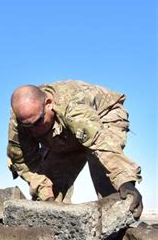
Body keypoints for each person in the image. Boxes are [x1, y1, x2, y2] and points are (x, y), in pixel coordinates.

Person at [7, 80, 143, 218]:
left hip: (103, 117)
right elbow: (24, 162)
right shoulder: (20, 122)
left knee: (106, 174)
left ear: (49, 104)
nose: (34, 130)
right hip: (63, 133)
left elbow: (100, 144)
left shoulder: (72, 109)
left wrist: (125, 181)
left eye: (37, 122)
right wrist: (47, 197)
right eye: (28, 126)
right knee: (49, 197)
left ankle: (116, 223)